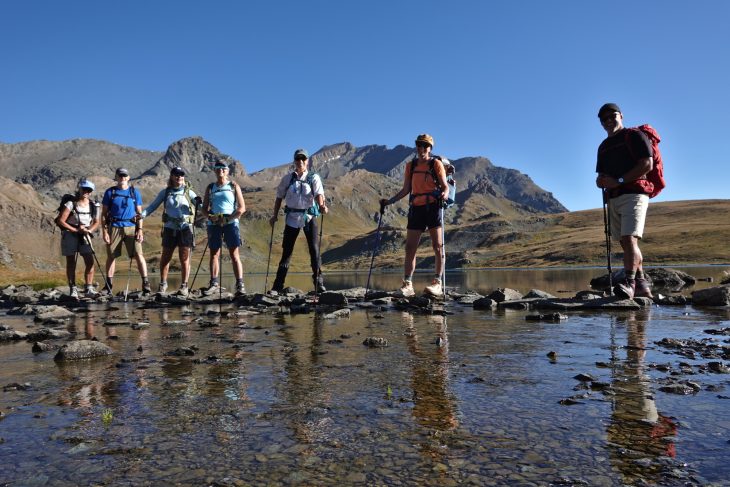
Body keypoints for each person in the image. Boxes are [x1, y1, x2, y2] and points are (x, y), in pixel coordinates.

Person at [596, 103, 654, 299]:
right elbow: (603, 174)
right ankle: (642, 284)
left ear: (621, 116)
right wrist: (601, 181)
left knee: (630, 240)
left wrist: (618, 180)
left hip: (635, 193)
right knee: (626, 243)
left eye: (612, 116)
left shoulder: (634, 136)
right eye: (604, 119)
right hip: (614, 197)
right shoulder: (603, 147)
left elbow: (647, 164)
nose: (608, 121)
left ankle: (629, 284)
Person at [380, 134, 449, 297]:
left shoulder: (436, 164)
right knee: (410, 248)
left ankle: (437, 283)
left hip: (433, 206)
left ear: (430, 148)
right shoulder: (410, 166)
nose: (422, 148)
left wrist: (445, 195)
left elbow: (445, 186)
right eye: (419, 145)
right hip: (416, 208)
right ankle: (408, 285)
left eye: (425, 146)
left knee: (437, 246)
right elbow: (406, 190)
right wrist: (389, 202)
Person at [269, 148, 329, 293]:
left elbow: (319, 194)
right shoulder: (287, 179)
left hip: (309, 217)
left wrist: (322, 206)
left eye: (303, 159)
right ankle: (278, 286)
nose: (300, 161)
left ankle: (318, 283)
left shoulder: (313, 177)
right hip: (291, 219)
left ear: (307, 161)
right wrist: (274, 215)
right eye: (298, 159)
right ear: (294, 161)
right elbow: (279, 197)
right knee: (287, 252)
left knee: (314, 250)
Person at [141, 166, 201, 297]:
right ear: (172, 177)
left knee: (184, 258)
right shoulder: (165, 192)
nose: (179, 177)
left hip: (185, 228)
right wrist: (141, 215)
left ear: (183, 177)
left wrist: (203, 204)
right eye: (176, 174)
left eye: (181, 174)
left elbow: (200, 205)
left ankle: (184, 286)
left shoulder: (189, 192)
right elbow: (152, 206)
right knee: (165, 257)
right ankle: (163, 284)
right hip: (169, 228)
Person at [101, 167, 151, 295]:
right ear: (116, 177)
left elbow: (139, 213)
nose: (122, 178)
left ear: (128, 178)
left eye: (125, 176)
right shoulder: (110, 192)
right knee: (111, 256)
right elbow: (104, 214)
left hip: (131, 227)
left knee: (138, 254)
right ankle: (108, 285)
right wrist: (105, 231)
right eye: (120, 175)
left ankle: (146, 283)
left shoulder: (135, 192)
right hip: (115, 226)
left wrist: (140, 229)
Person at [202, 161, 246, 295]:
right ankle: (214, 283)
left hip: (230, 223)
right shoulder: (210, 187)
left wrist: (229, 219)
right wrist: (210, 217)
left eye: (223, 168)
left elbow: (242, 208)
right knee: (214, 253)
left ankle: (240, 284)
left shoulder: (233, 186)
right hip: (214, 223)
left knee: (234, 254)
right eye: (217, 168)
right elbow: (204, 209)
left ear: (227, 171)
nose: (220, 170)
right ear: (215, 171)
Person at [55, 179, 101, 298]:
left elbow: (97, 222)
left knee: (90, 261)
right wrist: (75, 230)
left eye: (88, 190)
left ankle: (89, 288)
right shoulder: (71, 204)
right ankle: (73, 289)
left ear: (91, 192)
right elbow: (61, 220)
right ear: (79, 189)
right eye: (84, 189)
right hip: (70, 234)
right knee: (71, 262)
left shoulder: (94, 205)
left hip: (85, 234)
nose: (86, 191)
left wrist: (89, 230)